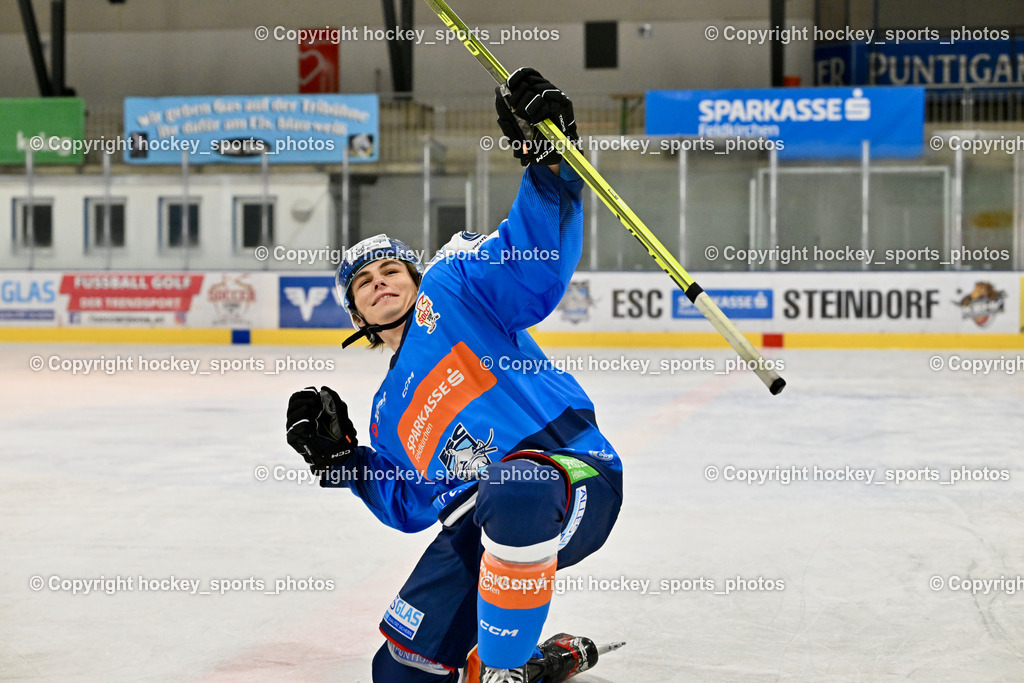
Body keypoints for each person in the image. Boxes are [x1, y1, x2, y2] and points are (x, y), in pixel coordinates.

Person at [285, 68, 623, 683]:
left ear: (416, 281)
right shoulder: (390, 409)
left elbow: (531, 267)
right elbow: (410, 504)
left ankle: (503, 666)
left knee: (516, 484)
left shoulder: (458, 286)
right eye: (363, 281)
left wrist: (549, 165)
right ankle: (535, 665)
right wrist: (340, 462)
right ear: (356, 313)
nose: (380, 280)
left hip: (569, 474)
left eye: (391, 269)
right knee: (398, 674)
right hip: (474, 523)